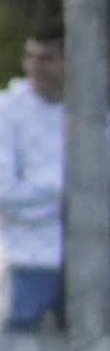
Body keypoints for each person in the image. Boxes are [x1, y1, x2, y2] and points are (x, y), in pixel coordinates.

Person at [0, 23, 67, 332]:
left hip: (80, 254)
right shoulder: (8, 112)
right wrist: (64, 192)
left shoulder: (94, 113)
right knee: (18, 340)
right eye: (31, 58)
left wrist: (41, 194)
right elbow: (6, 194)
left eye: (47, 59)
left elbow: (105, 184)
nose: (35, 68)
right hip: (24, 255)